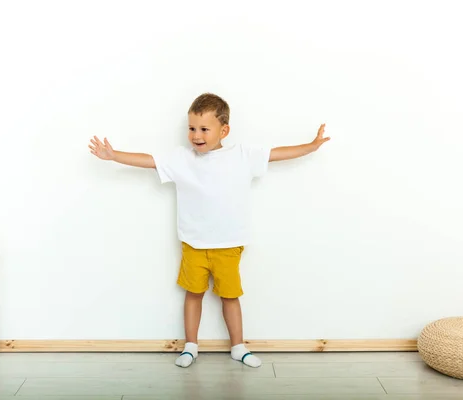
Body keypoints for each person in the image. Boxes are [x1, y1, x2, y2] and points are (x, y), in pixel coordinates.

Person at [89, 93, 330, 368]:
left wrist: (310, 147)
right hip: (194, 244)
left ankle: (238, 346)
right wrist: (113, 155)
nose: (196, 135)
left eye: (204, 129)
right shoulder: (181, 158)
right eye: (191, 128)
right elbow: (149, 160)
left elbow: (277, 154)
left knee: (230, 296)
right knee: (193, 295)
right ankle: (190, 345)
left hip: (229, 244)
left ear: (223, 130)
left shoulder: (242, 156)